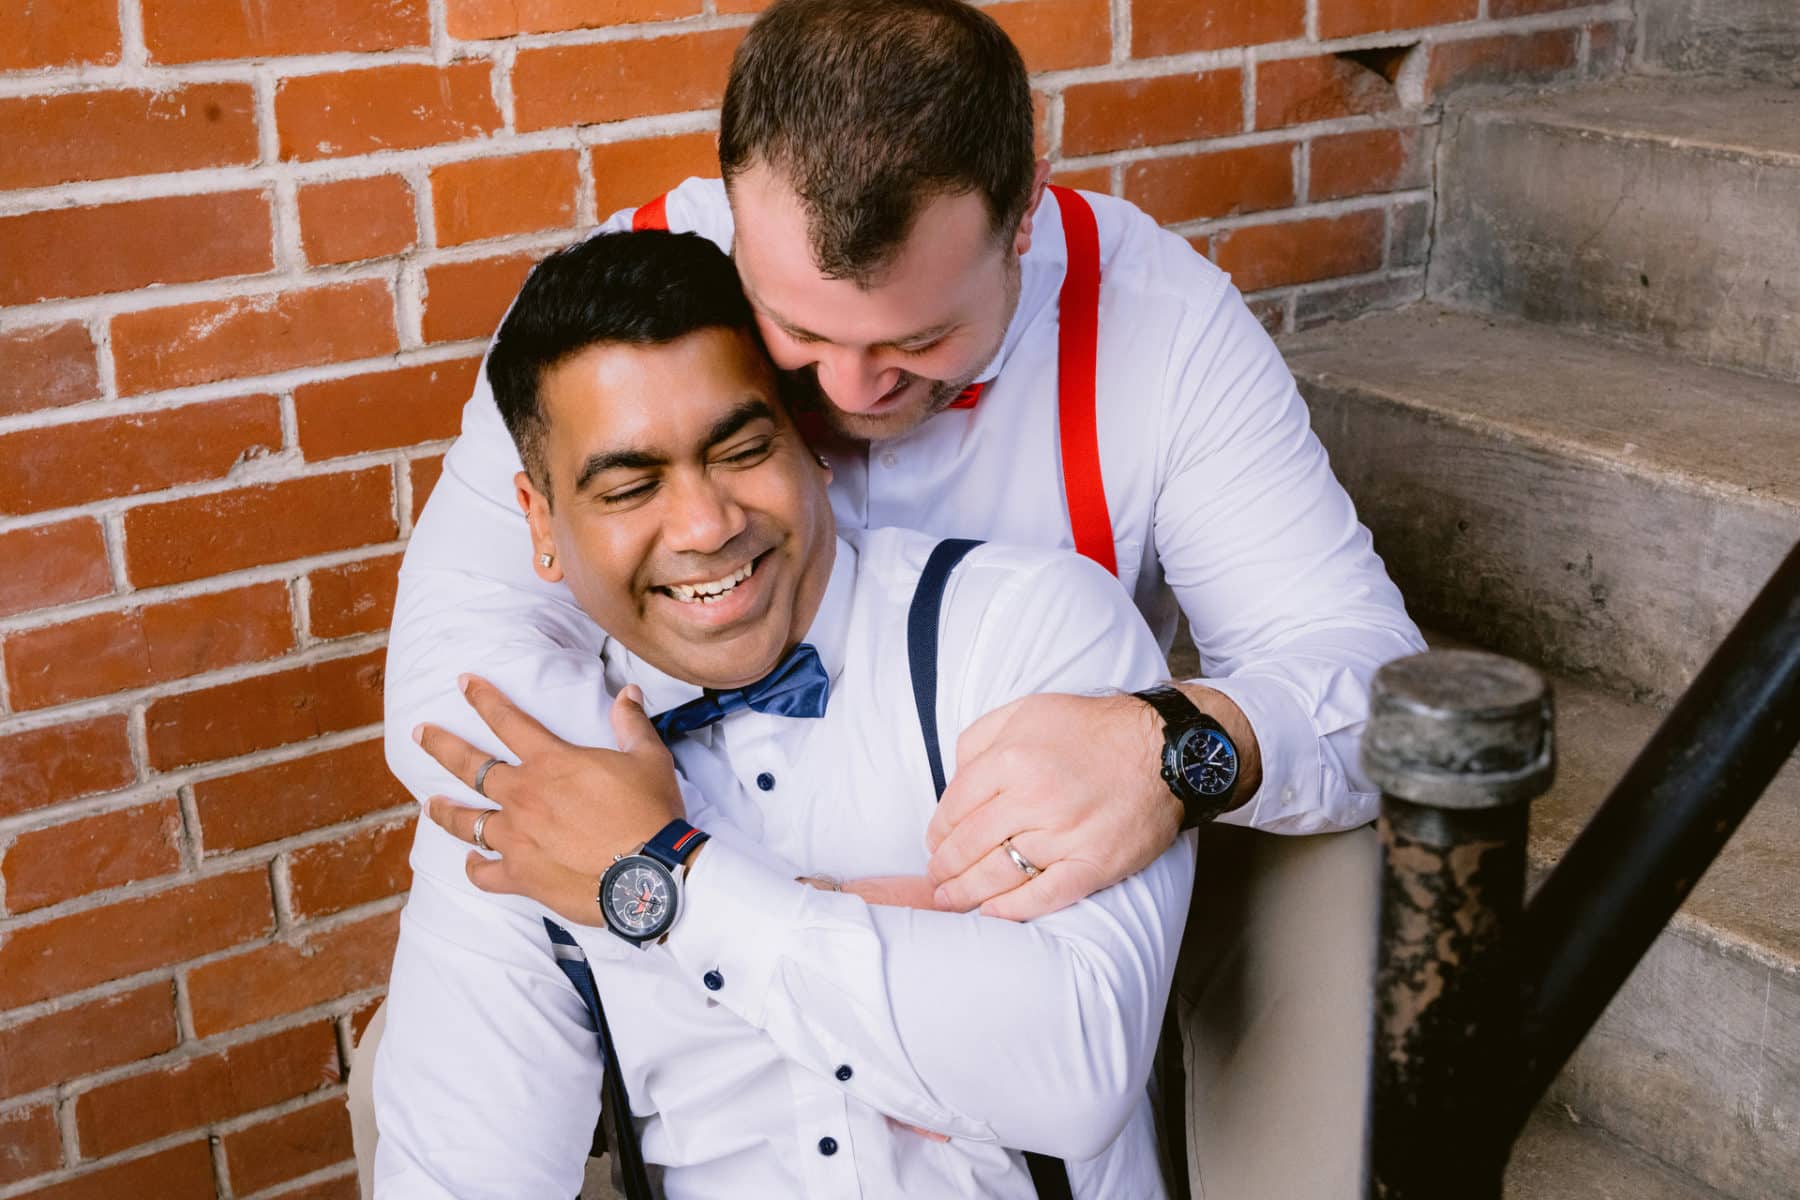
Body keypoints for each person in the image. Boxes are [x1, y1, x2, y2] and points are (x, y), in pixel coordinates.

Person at [379, 1, 1423, 1193]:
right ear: (732, 212)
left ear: (1024, 211)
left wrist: (1180, 744)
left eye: (919, 338)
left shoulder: (1159, 324)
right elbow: (451, 664)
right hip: (727, 838)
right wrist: (688, 874)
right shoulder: (624, 308)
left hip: (1073, 836)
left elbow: (1370, 683)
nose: (852, 387)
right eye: (797, 336)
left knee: (1336, 898)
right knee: (455, 994)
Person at [373, 228, 1196, 1196]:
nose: (706, 525)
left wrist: (666, 883)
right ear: (542, 527)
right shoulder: (526, 776)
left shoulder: (1024, 634)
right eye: (632, 486)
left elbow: (1077, 1070)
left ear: (811, 444)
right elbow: (459, 1171)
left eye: (744, 449)